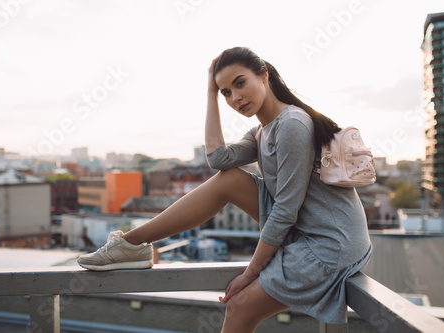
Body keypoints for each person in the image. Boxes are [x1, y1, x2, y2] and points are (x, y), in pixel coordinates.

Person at [77, 46, 372, 332]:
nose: (236, 98)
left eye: (240, 83)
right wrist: (210, 92)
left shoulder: (293, 124)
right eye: (226, 92)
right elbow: (218, 159)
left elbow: (285, 209)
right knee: (229, 179)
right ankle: (131, 246)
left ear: (264, 74)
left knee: (239, 306)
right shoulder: (261, 131)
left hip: (330, 244)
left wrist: (251, 273)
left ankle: (129, 247)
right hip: (305, 231)